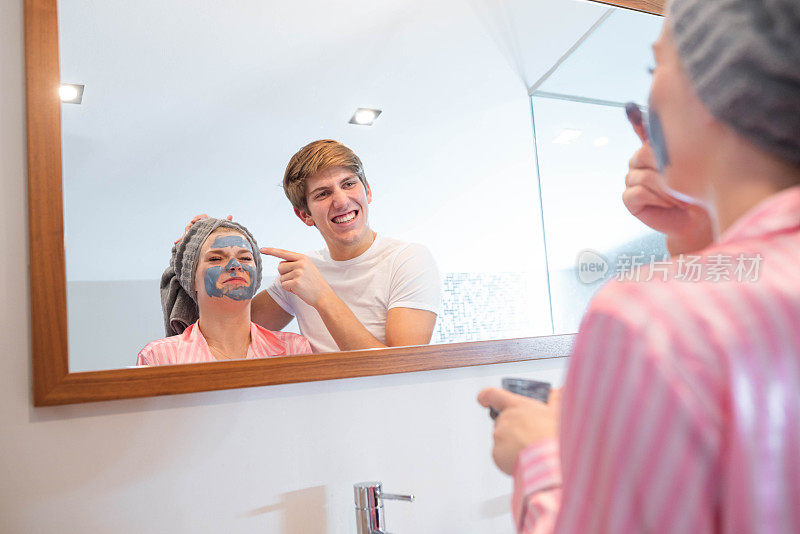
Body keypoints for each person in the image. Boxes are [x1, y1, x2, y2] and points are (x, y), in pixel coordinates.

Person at [478, 0, 800, 532]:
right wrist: (699, 230)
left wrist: (541, 457)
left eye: (657, 67)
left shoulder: (648, 319)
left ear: (715, 83)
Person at [186, 140, 441, 353]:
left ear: (368, 191)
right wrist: (200, 249)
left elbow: (404, 370)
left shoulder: (408, 260)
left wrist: (322, 297)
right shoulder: (302, 274)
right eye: (323, 194)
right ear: (304, 215)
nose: (341, 201)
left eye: (349, 184)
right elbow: (226, 325)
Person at [138, 218, 311, 365]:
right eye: (215, 258)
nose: (235, 265)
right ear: (192, 281)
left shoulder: (294, 350)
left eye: (245, 258)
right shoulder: (159, 358)